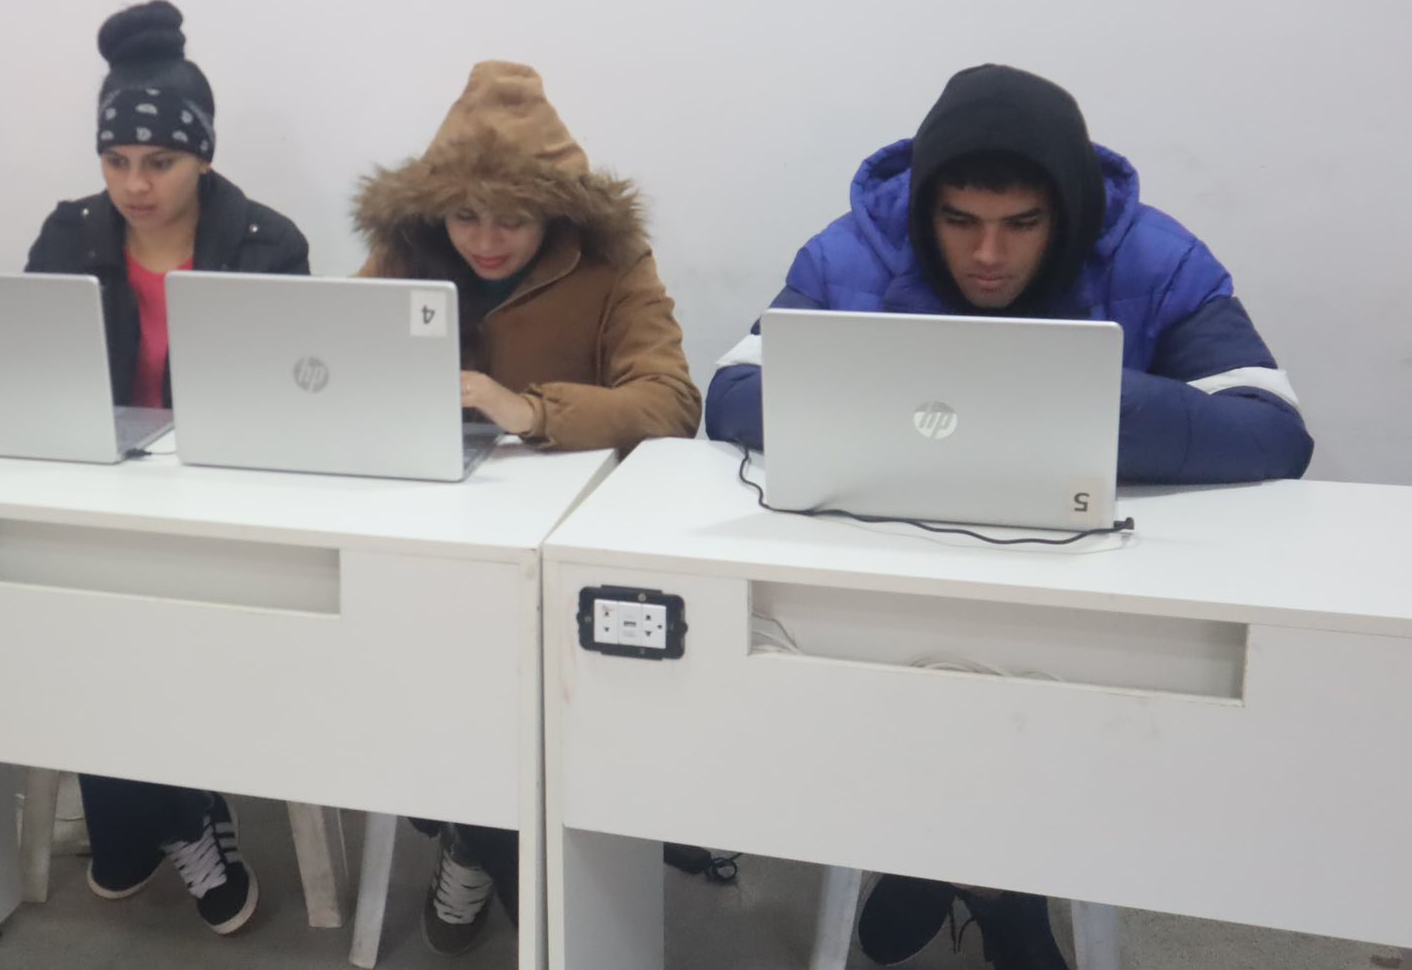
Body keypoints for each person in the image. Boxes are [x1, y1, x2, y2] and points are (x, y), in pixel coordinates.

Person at [705, 63, 1313, 969]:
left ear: (1066, 211)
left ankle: (956, 868)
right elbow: (731, 393)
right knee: (874, 668)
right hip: (897, 574)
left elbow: (1272, 428)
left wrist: (1065, 400)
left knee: (1049, 684)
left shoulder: (1157, 257)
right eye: (960, 221)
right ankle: (990, 883)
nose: (988, 253)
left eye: (1022, 224)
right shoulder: (853, 250)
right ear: (925, 208)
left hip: (1087, 580)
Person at [352, 60, 702, 955]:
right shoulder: (405, 252)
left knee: (515, 682)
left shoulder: (612, 259)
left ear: (557, 211)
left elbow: (672, 400)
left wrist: (534, 410)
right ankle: (479, 829)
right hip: (433, 533)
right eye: (464, 215)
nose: (485, 240)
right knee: (420, 656)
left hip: (564, 550)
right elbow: (339, 360)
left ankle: (478, 837)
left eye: (512, 217)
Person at [22, 0, 307, 936]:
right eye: (115, 161)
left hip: (217, 504)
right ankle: (183, 811)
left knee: (133, 624)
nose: (133, 185)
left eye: (159, 162)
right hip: (95, 497)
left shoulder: (268, 245)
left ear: (204, 157)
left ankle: (154, 814)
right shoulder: (69, 236)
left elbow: (291, 402)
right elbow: (29, 370)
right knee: (69, 611)